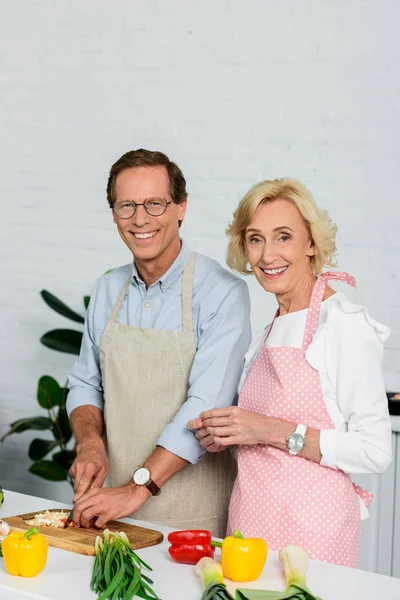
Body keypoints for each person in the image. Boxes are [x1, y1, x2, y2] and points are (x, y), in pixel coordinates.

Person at [188, 178, 392, 567]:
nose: (267, 255)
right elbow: (261, 431)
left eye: (283, 237)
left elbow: (375, 450)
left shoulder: (343, 324)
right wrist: (230, 433)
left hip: (313, 535)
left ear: (311, 244)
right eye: (255, 239)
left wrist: (267, 429)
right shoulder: (272, 326)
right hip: (249, 527)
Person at [66, 149, 251, 536]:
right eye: (126, 206)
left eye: (155, 203)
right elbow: (85, 383)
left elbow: (205, 409)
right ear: (113, 214)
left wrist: (135, 489)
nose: (140, 219)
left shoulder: (222, 293)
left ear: (181, 208)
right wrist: (89, 444)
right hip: (111, 510)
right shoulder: (107, 288)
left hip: (193, 516)